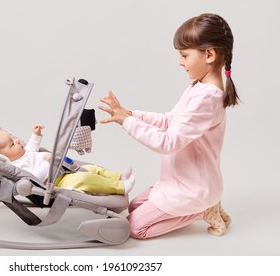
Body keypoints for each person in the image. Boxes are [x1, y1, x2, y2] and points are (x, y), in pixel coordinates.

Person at [98, 13, 238, 238]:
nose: (180, 62)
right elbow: (167, 121)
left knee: (134, 229)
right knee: (132, 208)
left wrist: (128, 122)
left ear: (209, 55)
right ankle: (202, 206)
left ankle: (204, 210)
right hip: (177, 181)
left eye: (184, 55)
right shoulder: (197, 88)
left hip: (193, 189)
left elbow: (167, 142)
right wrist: (131, 114)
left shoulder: (208, 97)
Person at [0, 125, 135, 195]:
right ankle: (120, 187)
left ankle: (118, 176)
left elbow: (32, 146)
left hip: (63, 171)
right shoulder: (18, 166)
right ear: (4, 156)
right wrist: (47, 162)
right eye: (12, 144)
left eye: (13, 139)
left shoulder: (24, 153)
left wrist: (36, 135)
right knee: (86, 178)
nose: (17, 141)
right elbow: (34, 178)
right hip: (56, 183)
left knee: (91, 168)